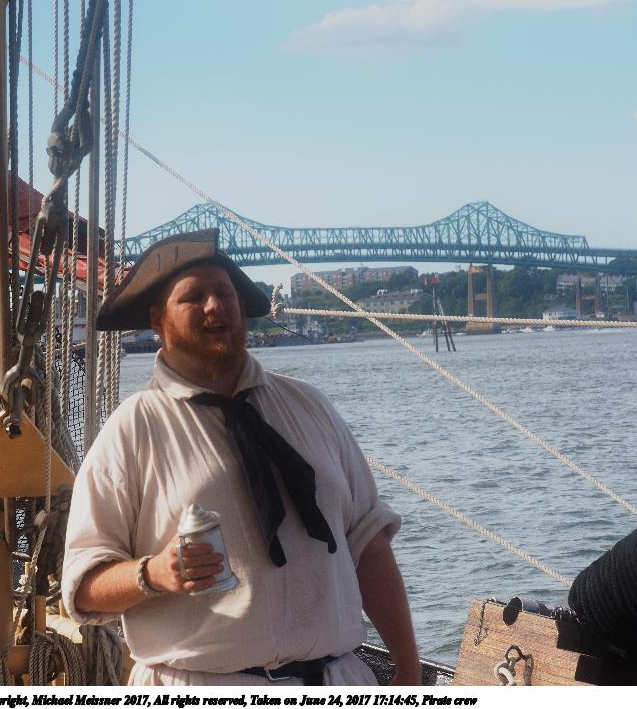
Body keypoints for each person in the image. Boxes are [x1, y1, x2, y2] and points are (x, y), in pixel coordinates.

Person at [62, 229, 421, 686]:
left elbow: (369, 547)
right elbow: (84, 588)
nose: (214, 305)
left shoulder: (310, 406)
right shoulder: (131, 430)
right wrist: (153, 574)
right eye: (194, 297)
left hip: (340, 679)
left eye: (224, 292)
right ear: (157, 320)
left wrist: (409, 669)